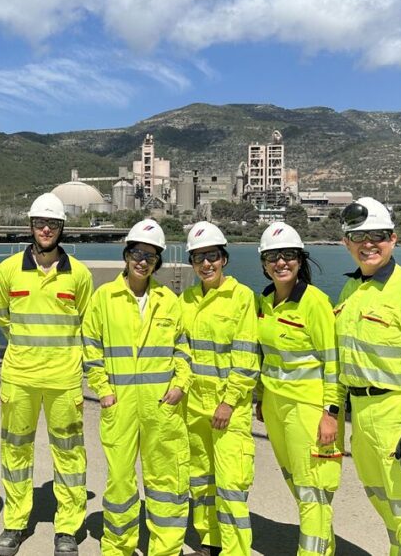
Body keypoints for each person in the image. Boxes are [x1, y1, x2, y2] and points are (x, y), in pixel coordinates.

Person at [335, 197, 401, 555]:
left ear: (393, 239)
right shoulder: (352, 290)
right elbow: (341, 357)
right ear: (346, 243)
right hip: (362, 416)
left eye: (378, 235)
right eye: (359, 236)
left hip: (396, 414)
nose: (369, 244)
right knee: (385, 504)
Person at [0, 193, 94, 556]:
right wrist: (26, 348)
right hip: (19, 376)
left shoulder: (79, 275)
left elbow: (86, 324)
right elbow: (3, 317)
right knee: (15, 451)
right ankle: (15, 522)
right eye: (39, 224)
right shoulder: (7, 271)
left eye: (52, 224)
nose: (46, 229)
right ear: (31, 227)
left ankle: (68, 527)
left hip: (64, 380)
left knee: (69, 453)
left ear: (63, 228)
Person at [82, 219, 193, 556]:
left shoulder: (168, 300)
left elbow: (183, 349)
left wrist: (180, 384)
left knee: (167, 482)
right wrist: (103, 390)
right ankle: (117, 546)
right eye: (136, 253)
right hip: (120, 405)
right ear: (126, 255)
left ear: (157, 261)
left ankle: (166, 548)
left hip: (162, 406)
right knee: (120, 481)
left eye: (150, 256)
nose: (142, 261)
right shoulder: (104, 298)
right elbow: (91, 347)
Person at [253, 222, 343, 556]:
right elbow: (267, 357)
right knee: (296, 482)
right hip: (276, 408)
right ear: (263, 263)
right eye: (273, 256)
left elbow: (333, 362)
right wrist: (261, 398)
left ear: (300, 259)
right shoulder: (265, 301)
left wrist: (331, 414)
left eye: (288, 255)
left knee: (313, 491)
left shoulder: (314, 303)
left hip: (308, 409)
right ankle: (324, 548)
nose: (281, 263)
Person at [180, 221, 260, 556]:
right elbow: (180, 350)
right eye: (198, 258)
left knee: (231, 486)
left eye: (211, 256)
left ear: (223, 258)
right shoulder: (185, 299)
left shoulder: (241, 298)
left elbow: (246, 358)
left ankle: (235, 551)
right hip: (194, 407)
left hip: (229, 409)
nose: (206, 264)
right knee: (200, 480)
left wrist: (228, 402)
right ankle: (210, 543)